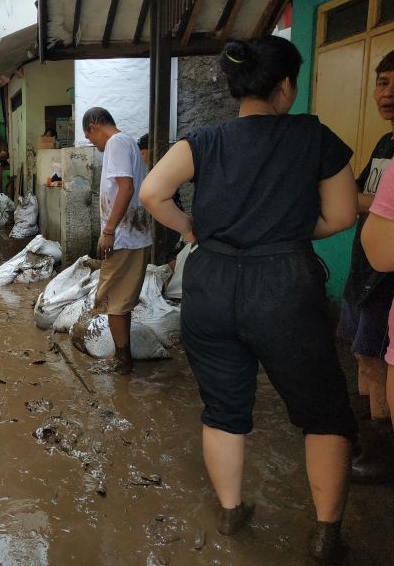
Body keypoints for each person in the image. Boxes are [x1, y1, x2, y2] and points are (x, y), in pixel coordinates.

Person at [139, 36, 358, 563]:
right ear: (285, 86)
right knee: (324, 411)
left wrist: (192, 230)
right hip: (284, 283)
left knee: (223, 406)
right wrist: (287, 231)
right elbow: (343, 215)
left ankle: (232, 511)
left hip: (210, 284)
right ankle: (326, 533)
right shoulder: (313, 136)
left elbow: (151, 193)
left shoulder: (203, 141)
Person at [338, 50, 394, 483]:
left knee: (377, 361)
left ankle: (381, 452)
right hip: (363, 271)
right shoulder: (384, 145)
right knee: (360, 353)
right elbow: (357, 198)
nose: (387, 93)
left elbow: (360, 203)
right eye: (382, 82)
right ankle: (364, 437)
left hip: (386, 279)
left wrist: (363, 204)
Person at [82, 107, 152, 373]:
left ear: (94, 125)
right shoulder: (127, 142)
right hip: (132, 236)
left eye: (90, 137)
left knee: (113, 301)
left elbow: (126, 187)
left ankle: (122, 360)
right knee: (120, 301)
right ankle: (123, 356)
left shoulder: (115, 143)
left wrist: (109, 230)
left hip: (124, 237)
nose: (92, 143)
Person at [361, 158, 394, 435]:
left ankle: (379, 446)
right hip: (365, 279)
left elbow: (379, 249)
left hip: (380, 280)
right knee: (364, 355)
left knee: (371, 356)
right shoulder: (384, 143)